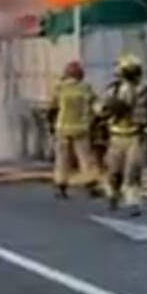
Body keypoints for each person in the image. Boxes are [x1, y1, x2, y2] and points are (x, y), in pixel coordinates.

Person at [99, 53, 147, 216]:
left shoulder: (146, 91)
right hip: (116, 136)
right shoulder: (113, 89)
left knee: (133, 170)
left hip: (137, 136)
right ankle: (113, 194)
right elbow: (102, 108)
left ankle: (133, 202)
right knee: (114, 171)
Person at [47, 60, 99, 199]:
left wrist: (51, 125)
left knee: (62, 160)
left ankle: (61, 186)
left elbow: (52, 108)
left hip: (63, 129)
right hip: (81, 129)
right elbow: (97, 106)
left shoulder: (60, 88)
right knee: (86, 159)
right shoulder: (86, 88)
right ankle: (91, 185)